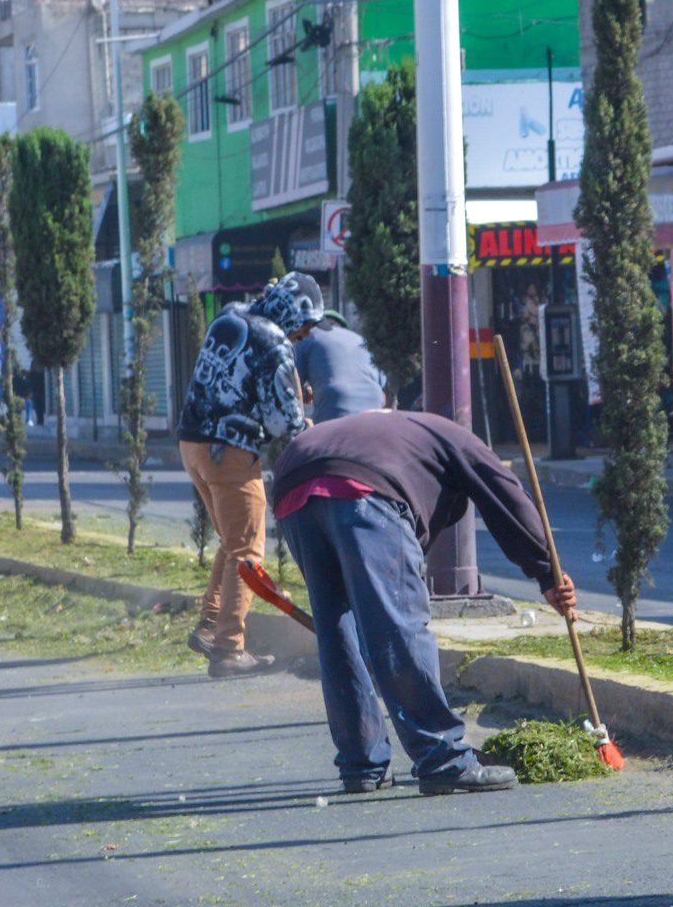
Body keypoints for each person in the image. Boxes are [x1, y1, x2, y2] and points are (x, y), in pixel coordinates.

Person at [272, 410, 579, 795]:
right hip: (364, 489)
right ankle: (443, 757)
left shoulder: (408, 437)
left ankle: (361, 761)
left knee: (339, 628)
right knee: (398, 624)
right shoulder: (461, 442)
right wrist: (547, 572)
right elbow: (506, 496)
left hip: (292, 486)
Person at [176, 271, 312, 678]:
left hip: (192, 444)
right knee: (247, 551)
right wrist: (304, 409)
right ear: (292, 314)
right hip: (230, 451)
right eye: (305, 326)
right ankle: (229, 649)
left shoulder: (230, 317)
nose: (303, 336)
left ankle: (210, 624)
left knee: (232, 541)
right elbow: (284, 422)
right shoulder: (274, 342)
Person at [285, 275, 386, 423]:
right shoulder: (360, 340)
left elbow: (291, 386)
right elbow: (383, 391)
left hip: (335, 409)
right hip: (375, 411)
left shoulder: (308, 337)